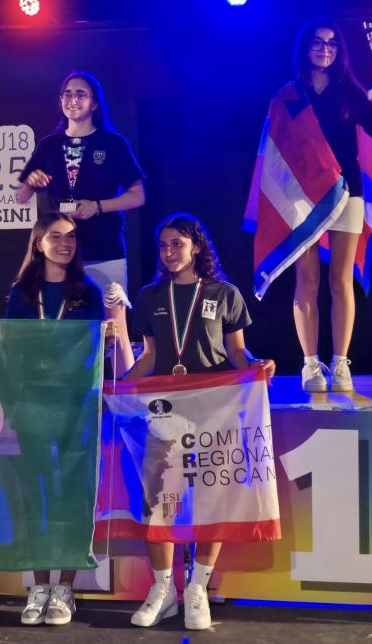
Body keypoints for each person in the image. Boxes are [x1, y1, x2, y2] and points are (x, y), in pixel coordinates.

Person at [123, 213, 275, 630]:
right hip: (164, 411)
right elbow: (150, 357)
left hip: (214, 408)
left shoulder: (224, 294)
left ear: (196, 246)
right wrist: (119, 388)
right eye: (163, 245)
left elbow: (237, 353)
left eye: (177, 244)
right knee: (159, 501)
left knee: (212, 498)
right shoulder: (151, 296)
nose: (169, 252)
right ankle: (163, 591)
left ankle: (197, 589)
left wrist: (257, 365)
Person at [5, 211, 122, 626]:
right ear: (39, 243)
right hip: (33, 405)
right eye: (55, 236)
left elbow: (97, 352)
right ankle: (39, 586)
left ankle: (65, 588)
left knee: (74, 495)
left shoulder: (88, 291)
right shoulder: (22, 292)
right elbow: (11, 350)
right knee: (36, 496)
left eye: (71, 236)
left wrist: (109, 337)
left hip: (77, 405)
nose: (65, 243)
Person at [283, 17, 372, 392]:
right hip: (303, 196)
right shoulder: (290, 95)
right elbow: (277, 150)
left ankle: (341, 362)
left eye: (331, 44)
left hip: (347, 193)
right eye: (317, 42)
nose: (325, 49)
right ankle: (310, 364)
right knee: (307, 279)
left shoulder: (349, 92)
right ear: (305, 47)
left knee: (340, 280)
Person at [15, 69, 144, 367]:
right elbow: (21, 196)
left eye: (81, 94)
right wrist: (30, 183)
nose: (73, 99)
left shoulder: (112, 143)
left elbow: (138, 196)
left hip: (104, 250)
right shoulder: (49, 145)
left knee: (114, 328)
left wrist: (98, 206)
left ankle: (122, 390)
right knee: (64, 328)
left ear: (95, 103)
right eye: (68, 94)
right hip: (59, 255)